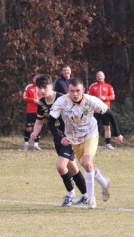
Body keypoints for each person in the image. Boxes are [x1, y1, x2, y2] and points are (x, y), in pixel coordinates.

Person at [49, 78, 115, 209]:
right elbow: (50, 122)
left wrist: (117, 133)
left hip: (90, 134)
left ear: (83, 90)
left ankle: (90, 198)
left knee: (87, 163)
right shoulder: (62, 101)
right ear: (68, 90)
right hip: (73, 138)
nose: (75, 94)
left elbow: (109, 113)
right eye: (72, 91)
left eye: (78, 91)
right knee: (87, 165)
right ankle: (104, 182)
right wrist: (60, 137)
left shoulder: (90, 100)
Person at [29, 74, 90, 206]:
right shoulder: (41, 103)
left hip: (71, 138)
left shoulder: (63, 98)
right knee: (72, 168)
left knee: (61, 166)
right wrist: (35, 132)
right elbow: (39, 121)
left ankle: (71, 195)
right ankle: (87, 195)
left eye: (45, 87)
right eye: (39, 88)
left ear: (51, 86)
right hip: (58, 139)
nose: (42, 90)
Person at [88, 70, 118, 149]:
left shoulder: (108, 86)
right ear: (96, 77)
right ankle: (93, 144)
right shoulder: (93, 86)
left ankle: (108, 144)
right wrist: (96, 99)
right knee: (94, 127)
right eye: (98, 76)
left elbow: (113, 96)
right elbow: (88, 97)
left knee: (107, 127)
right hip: (95, 110)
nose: (100, 77)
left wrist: (105, 98)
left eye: (101, 76)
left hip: (105, 110)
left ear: (104, 77)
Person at [22, 79, 44, 151]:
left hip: (40, 110)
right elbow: (24, 97)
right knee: (29, 128)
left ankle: (36, 145)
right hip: (31, 110)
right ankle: (26, 144)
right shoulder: (29, 87)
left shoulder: (42, 87)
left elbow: (45, 97)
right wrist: (33, 100)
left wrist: (40, 102)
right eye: (35, 78)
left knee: (38, 127)